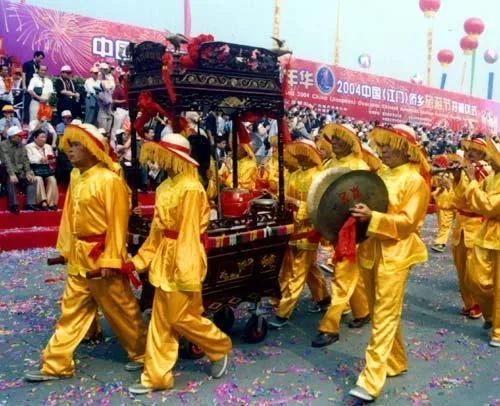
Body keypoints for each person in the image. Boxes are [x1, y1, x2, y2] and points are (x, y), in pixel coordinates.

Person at [23, 123, 147, 382]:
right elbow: (68, 216)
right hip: (80, 257)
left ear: (92, 147)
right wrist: (67, 248)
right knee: (71, 310)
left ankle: (143, 353)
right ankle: (56, 364)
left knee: (122, 309)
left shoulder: (110, 180)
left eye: (76, 144)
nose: (70, 150)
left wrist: (112, 259)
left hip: (102, 257)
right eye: (69, 145)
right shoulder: (77, 177)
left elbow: (117, 224)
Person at [124, 133, 232, 394]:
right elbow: (157, 231)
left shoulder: (193, 188)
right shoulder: (164, 188)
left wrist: (184, 269)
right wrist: (139, 261)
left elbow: (189, 232)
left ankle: (218, 346)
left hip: (186, 256)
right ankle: (157, 374)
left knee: (180, 316)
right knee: (162, 318)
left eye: (164, 156)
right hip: (165, 256)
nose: (159, 162)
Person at [348, 124, 430, 401]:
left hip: (396, 255)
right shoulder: (380, 174)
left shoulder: (415, 181)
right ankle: (395, 361)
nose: (381, 150)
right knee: (380, 311)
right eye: (380, 145)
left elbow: (408, 224)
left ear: (405, 149)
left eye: (388, 146)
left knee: (383, 315)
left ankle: (370, 380)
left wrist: (373, 217)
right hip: (371, 251)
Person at [311, 124, 371, 348]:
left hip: (351, 230)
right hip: (334, 228)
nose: (333, 143)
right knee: (347, 273)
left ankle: (330, 327)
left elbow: (367, 199)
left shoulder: (359, 166)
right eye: (332, 140)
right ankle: (363, 311)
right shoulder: (330, 164)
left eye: (338, 140)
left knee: (342, 277)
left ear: (349, 142)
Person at [268, 138, 330, 328]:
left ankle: (283, 312)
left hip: (308, 230)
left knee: (297, 271)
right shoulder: (294, 175)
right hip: (293, 228)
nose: (299, 157)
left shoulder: (319, 177)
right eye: (298, 154)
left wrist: (294, 203)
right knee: (308, 268)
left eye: (304, 154)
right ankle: (323, 299)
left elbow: (319, 207)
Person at [459, 137, 499, 347]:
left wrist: (473, 179)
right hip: (486, 234)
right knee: (475, 278)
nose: (489, 159)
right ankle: (491, 315)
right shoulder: (491, 178)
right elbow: (466, 202)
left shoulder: (487, 177)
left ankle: (498, 330)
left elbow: (489, 206)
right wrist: (457, 181)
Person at [449, 137, 489, 319]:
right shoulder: (464, 171)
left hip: (478, 228)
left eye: (475, 150)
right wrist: (457, 180)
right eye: (468, 150)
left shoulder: (486, 172)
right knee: (461, 270)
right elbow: (456, 202)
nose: (469, 153)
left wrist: (472, 177)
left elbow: (479, 203)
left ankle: (484, 305)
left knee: (475, 274)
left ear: (483, 154)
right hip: (461, 227)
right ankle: (471, 304)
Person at [0, 126, 37, 213]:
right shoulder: (3, 145)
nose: (21, 137)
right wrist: (12, 174)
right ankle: (13, 205)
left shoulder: (21, 145)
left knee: (32, 180)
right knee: (11, 180)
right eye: (19, 136)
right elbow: (6, 161)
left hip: (20, 170)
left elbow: (25, 160)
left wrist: (28, 172)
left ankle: (30, 204)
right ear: (12, 137)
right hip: (7, 171)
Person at [25, 129, 59, 210]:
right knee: (38, 179)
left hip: (46, 168)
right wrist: (40, 159)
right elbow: (30, 159)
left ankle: (50, 203)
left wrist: (51, 159)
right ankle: (43, 202)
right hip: (34, 168)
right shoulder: (28, 147)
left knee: (52, 179)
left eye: (45, 137)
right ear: (35, 138)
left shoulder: (48, 146)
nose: (44, 139)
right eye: (42, 137)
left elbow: (51, 157)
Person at [430, 154, 456, 253]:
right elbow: (440, 188)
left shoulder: (450, 176)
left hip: (448, 204)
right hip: (441, 204)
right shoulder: (444, 175)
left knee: (445, 224)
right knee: (442, 224)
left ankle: (440, 243)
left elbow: (449, 187)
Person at [22, 51, 45, 124]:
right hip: (28, 87)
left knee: (35, 105)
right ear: (36, 56)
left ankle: (35, 121)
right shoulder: (27, 64)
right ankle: (26, 122)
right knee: (27, 105)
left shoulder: (38, 66)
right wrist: (24, 86)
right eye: (40, 58)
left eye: (42, 59)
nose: (41, 60)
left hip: (36, 89)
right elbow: (23, 75)